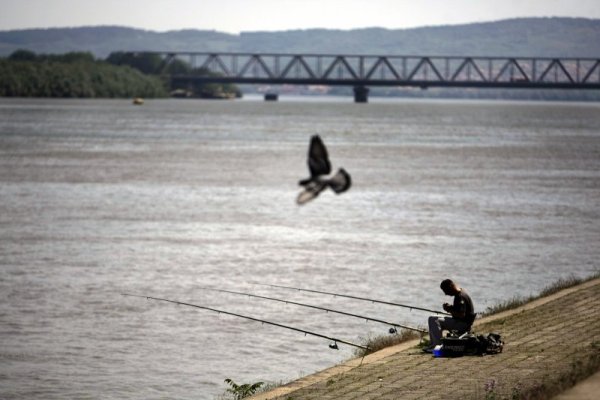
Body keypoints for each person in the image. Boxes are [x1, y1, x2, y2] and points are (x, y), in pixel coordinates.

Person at [425, 279, 476, 352]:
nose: (446, 294)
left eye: (446, 291)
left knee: (435, 320)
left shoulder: (460, 296)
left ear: (451, 286)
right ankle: (432, 345)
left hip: (463, 324)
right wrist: (451, 307)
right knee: (431, 318)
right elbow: (459, 310)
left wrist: (449, 310)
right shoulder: (461, 292)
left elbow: (461, 315)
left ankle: (437, 346)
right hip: (461, 322)